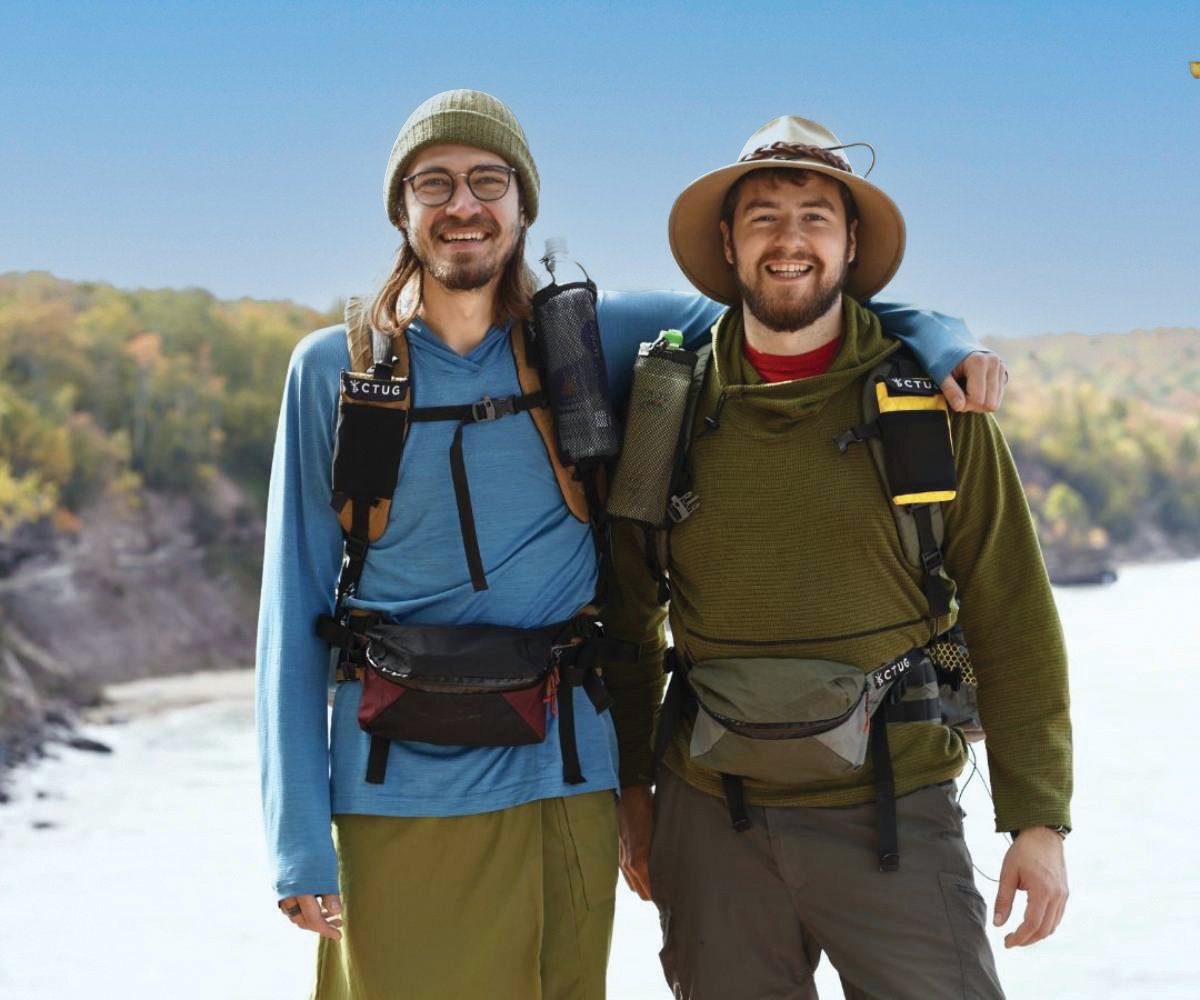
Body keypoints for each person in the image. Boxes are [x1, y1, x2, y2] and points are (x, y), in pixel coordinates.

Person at [255, 91, 1006, 1000]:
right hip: (395, 777)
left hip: (565, 774)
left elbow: (788, 303)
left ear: (522, 206)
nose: (463, 205)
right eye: (435, 184)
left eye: (488, 181)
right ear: (401, 210)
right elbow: (291, 606)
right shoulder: (333, 372)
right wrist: (298, 838)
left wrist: (943, 339)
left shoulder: (586, 340)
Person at [608, 115, 1071, 1000]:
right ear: (727, 245)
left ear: (851, 241)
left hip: (898, 816)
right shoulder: (663, 406)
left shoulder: (933, 408)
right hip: (710, 820)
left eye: (815, 216)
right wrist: (633, 787)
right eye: (764, 218)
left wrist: (1039, 821)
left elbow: (1013, 614)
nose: (790, 241)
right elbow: (628, 619)